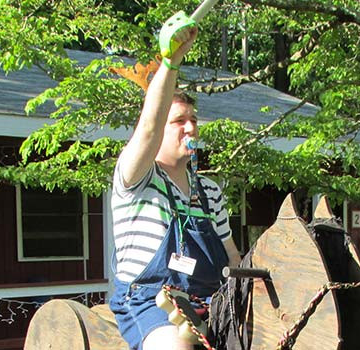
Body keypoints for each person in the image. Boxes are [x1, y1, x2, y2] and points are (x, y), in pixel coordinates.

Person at [108, 26, 241, 350]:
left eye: (193, 119)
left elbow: (232, 255)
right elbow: (149, 127)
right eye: (179, 120)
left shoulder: (209, 190)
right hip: (151, 301)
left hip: (213, 302)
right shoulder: (137, 178)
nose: (191, 127)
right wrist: (171, 62)